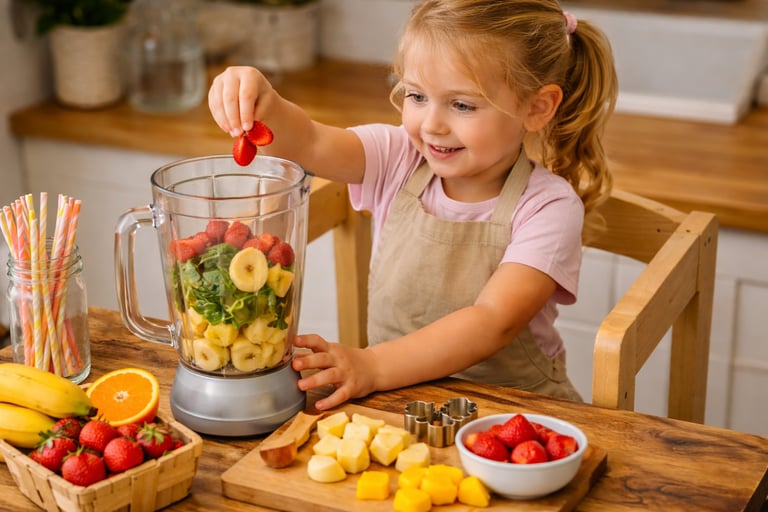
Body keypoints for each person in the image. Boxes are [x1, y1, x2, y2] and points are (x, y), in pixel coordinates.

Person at [207, 0, 618, 411]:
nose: (431, 124)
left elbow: (493, 321)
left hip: (516, 414)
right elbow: (308, 142)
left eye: (461, 105)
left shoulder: (549, 207)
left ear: (537, 107)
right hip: (399, 402)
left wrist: (372, 366)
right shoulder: (396, 156)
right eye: (416, 95)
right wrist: (260, 99)